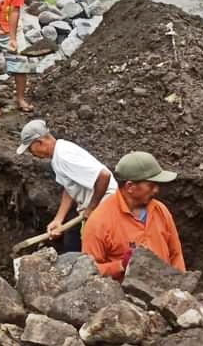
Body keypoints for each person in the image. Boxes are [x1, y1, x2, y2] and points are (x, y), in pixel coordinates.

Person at [16, 119, 117, 253]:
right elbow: (69, 187)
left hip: (106, 205)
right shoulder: (57, 156)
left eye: (30, 148)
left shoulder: (64, 156)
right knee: (72, 239)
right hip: (91, 205)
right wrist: (58, 219)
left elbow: (104, 176)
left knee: (94, 250)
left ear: (39, 142)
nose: (31, 153)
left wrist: (92, 208)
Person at [82, 151, 185, 280]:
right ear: (130, 186)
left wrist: (181, 287)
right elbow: (89, 271)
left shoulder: (160, 210)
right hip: (125, 298)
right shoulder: (99, 222)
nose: (156, 190)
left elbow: (176, 255)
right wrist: (121, 265)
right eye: (151, 185)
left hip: (165, 294)